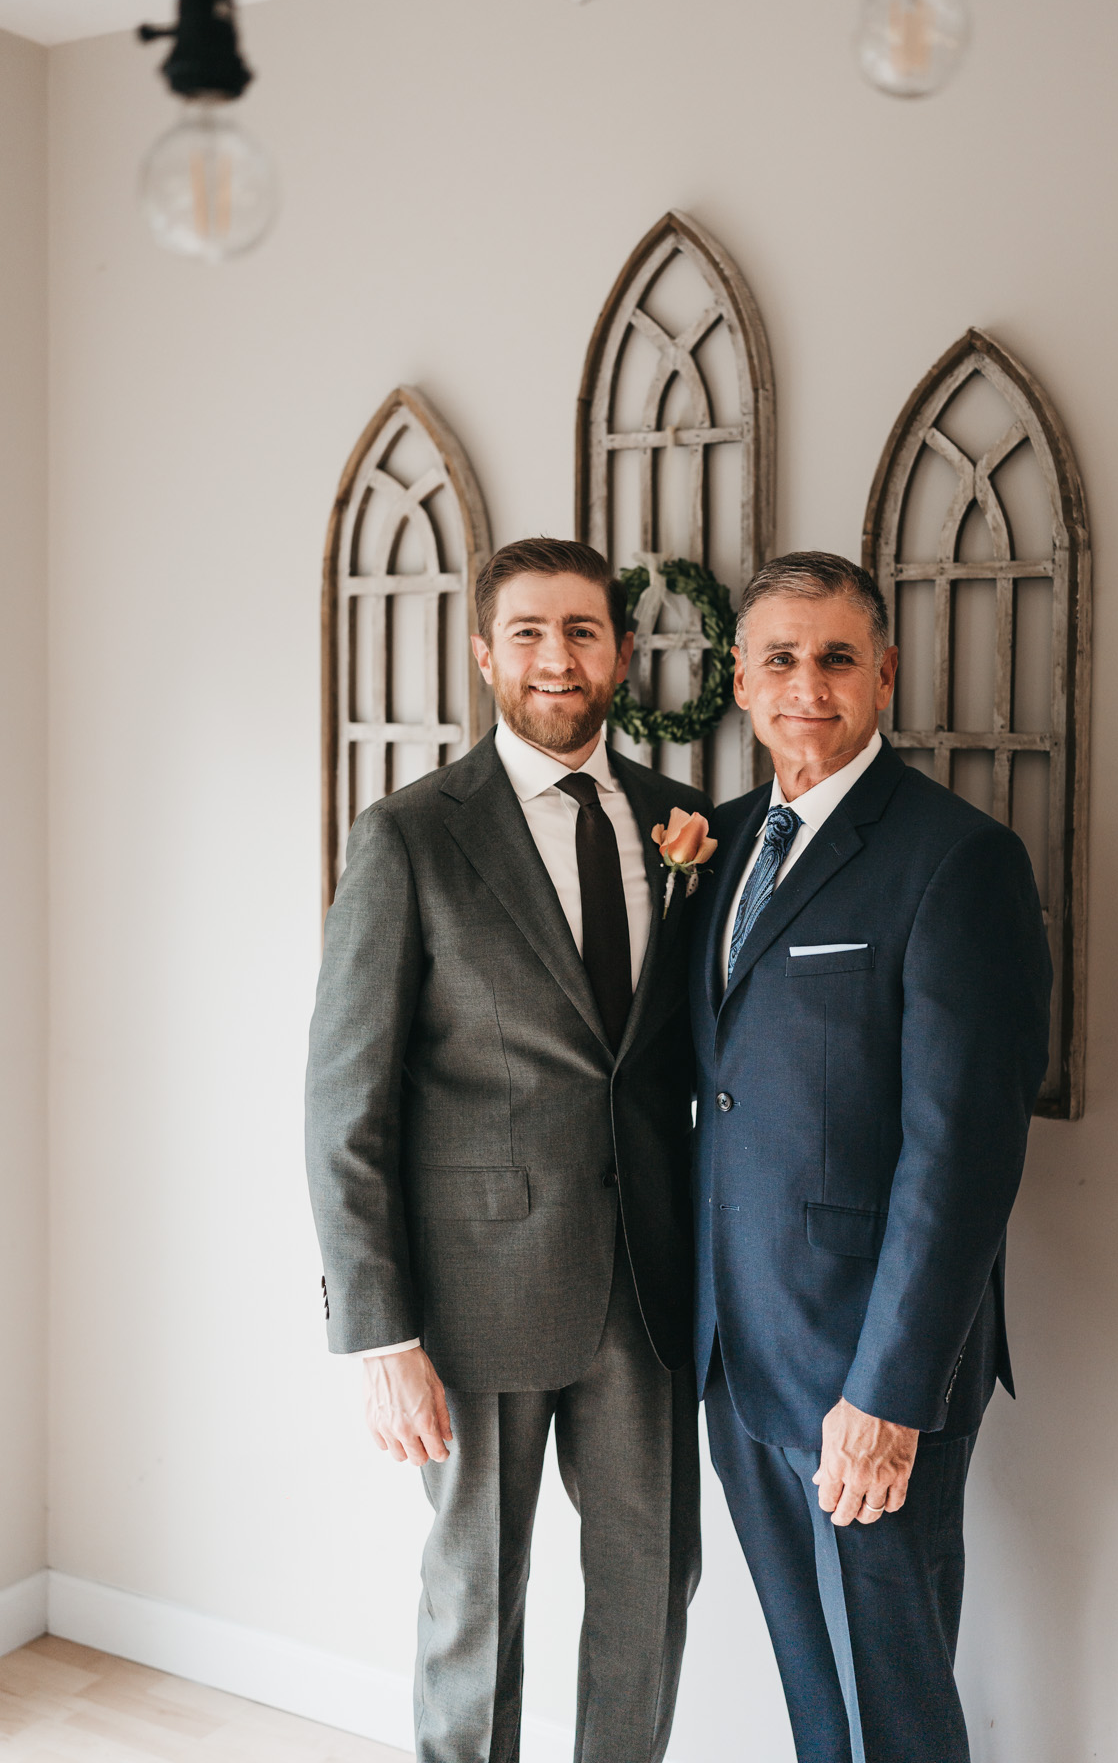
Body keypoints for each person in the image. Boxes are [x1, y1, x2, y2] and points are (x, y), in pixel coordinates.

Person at [306, 536, 712, 1763]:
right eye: (528, 631)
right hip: (474, 1295)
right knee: (476, 1604)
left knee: (653, 1590)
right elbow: (343, 1104)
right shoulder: (411, 837)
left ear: (623, 654)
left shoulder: (677, 822)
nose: (556, 655)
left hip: (646, 1279)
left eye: (582, 630)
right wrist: (379, 1332)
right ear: (486, 652)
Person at [692, 550, 1052, 1763]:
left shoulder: (958, 860)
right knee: (814, 1684)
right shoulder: (723, 844)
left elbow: (965, 1154)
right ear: (741, 681)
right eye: (781, 658)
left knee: (891, 1702)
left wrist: (890, 1392)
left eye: (837, 656)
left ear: (884, 674)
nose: (809, 683)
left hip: (867, 1365)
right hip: (733, 1351)